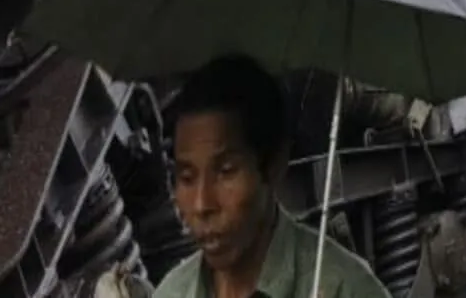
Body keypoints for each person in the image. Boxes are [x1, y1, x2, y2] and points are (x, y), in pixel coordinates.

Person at [153, 54, 391, 298]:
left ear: (274, 166)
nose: (202, 204)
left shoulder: (344, 289)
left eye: (225, 172)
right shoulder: (172, 293)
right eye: (187, 178)